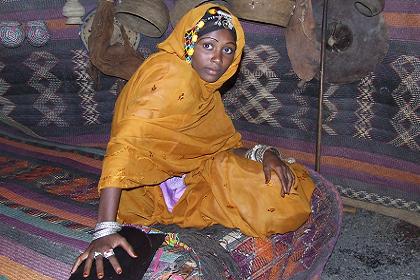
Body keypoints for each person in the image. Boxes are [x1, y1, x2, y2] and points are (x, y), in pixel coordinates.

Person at [71, 3, 315, 279]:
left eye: (228, 50)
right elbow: (127, 143)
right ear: (189, 43)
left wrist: (264, 154)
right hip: (145, 190)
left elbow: (220, 145)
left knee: (280, 193)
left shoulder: (205, 90)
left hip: (191, 178)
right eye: (208, 46)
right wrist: (105, 229)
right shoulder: (170, 75)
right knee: (270, 199)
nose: (218, 59)